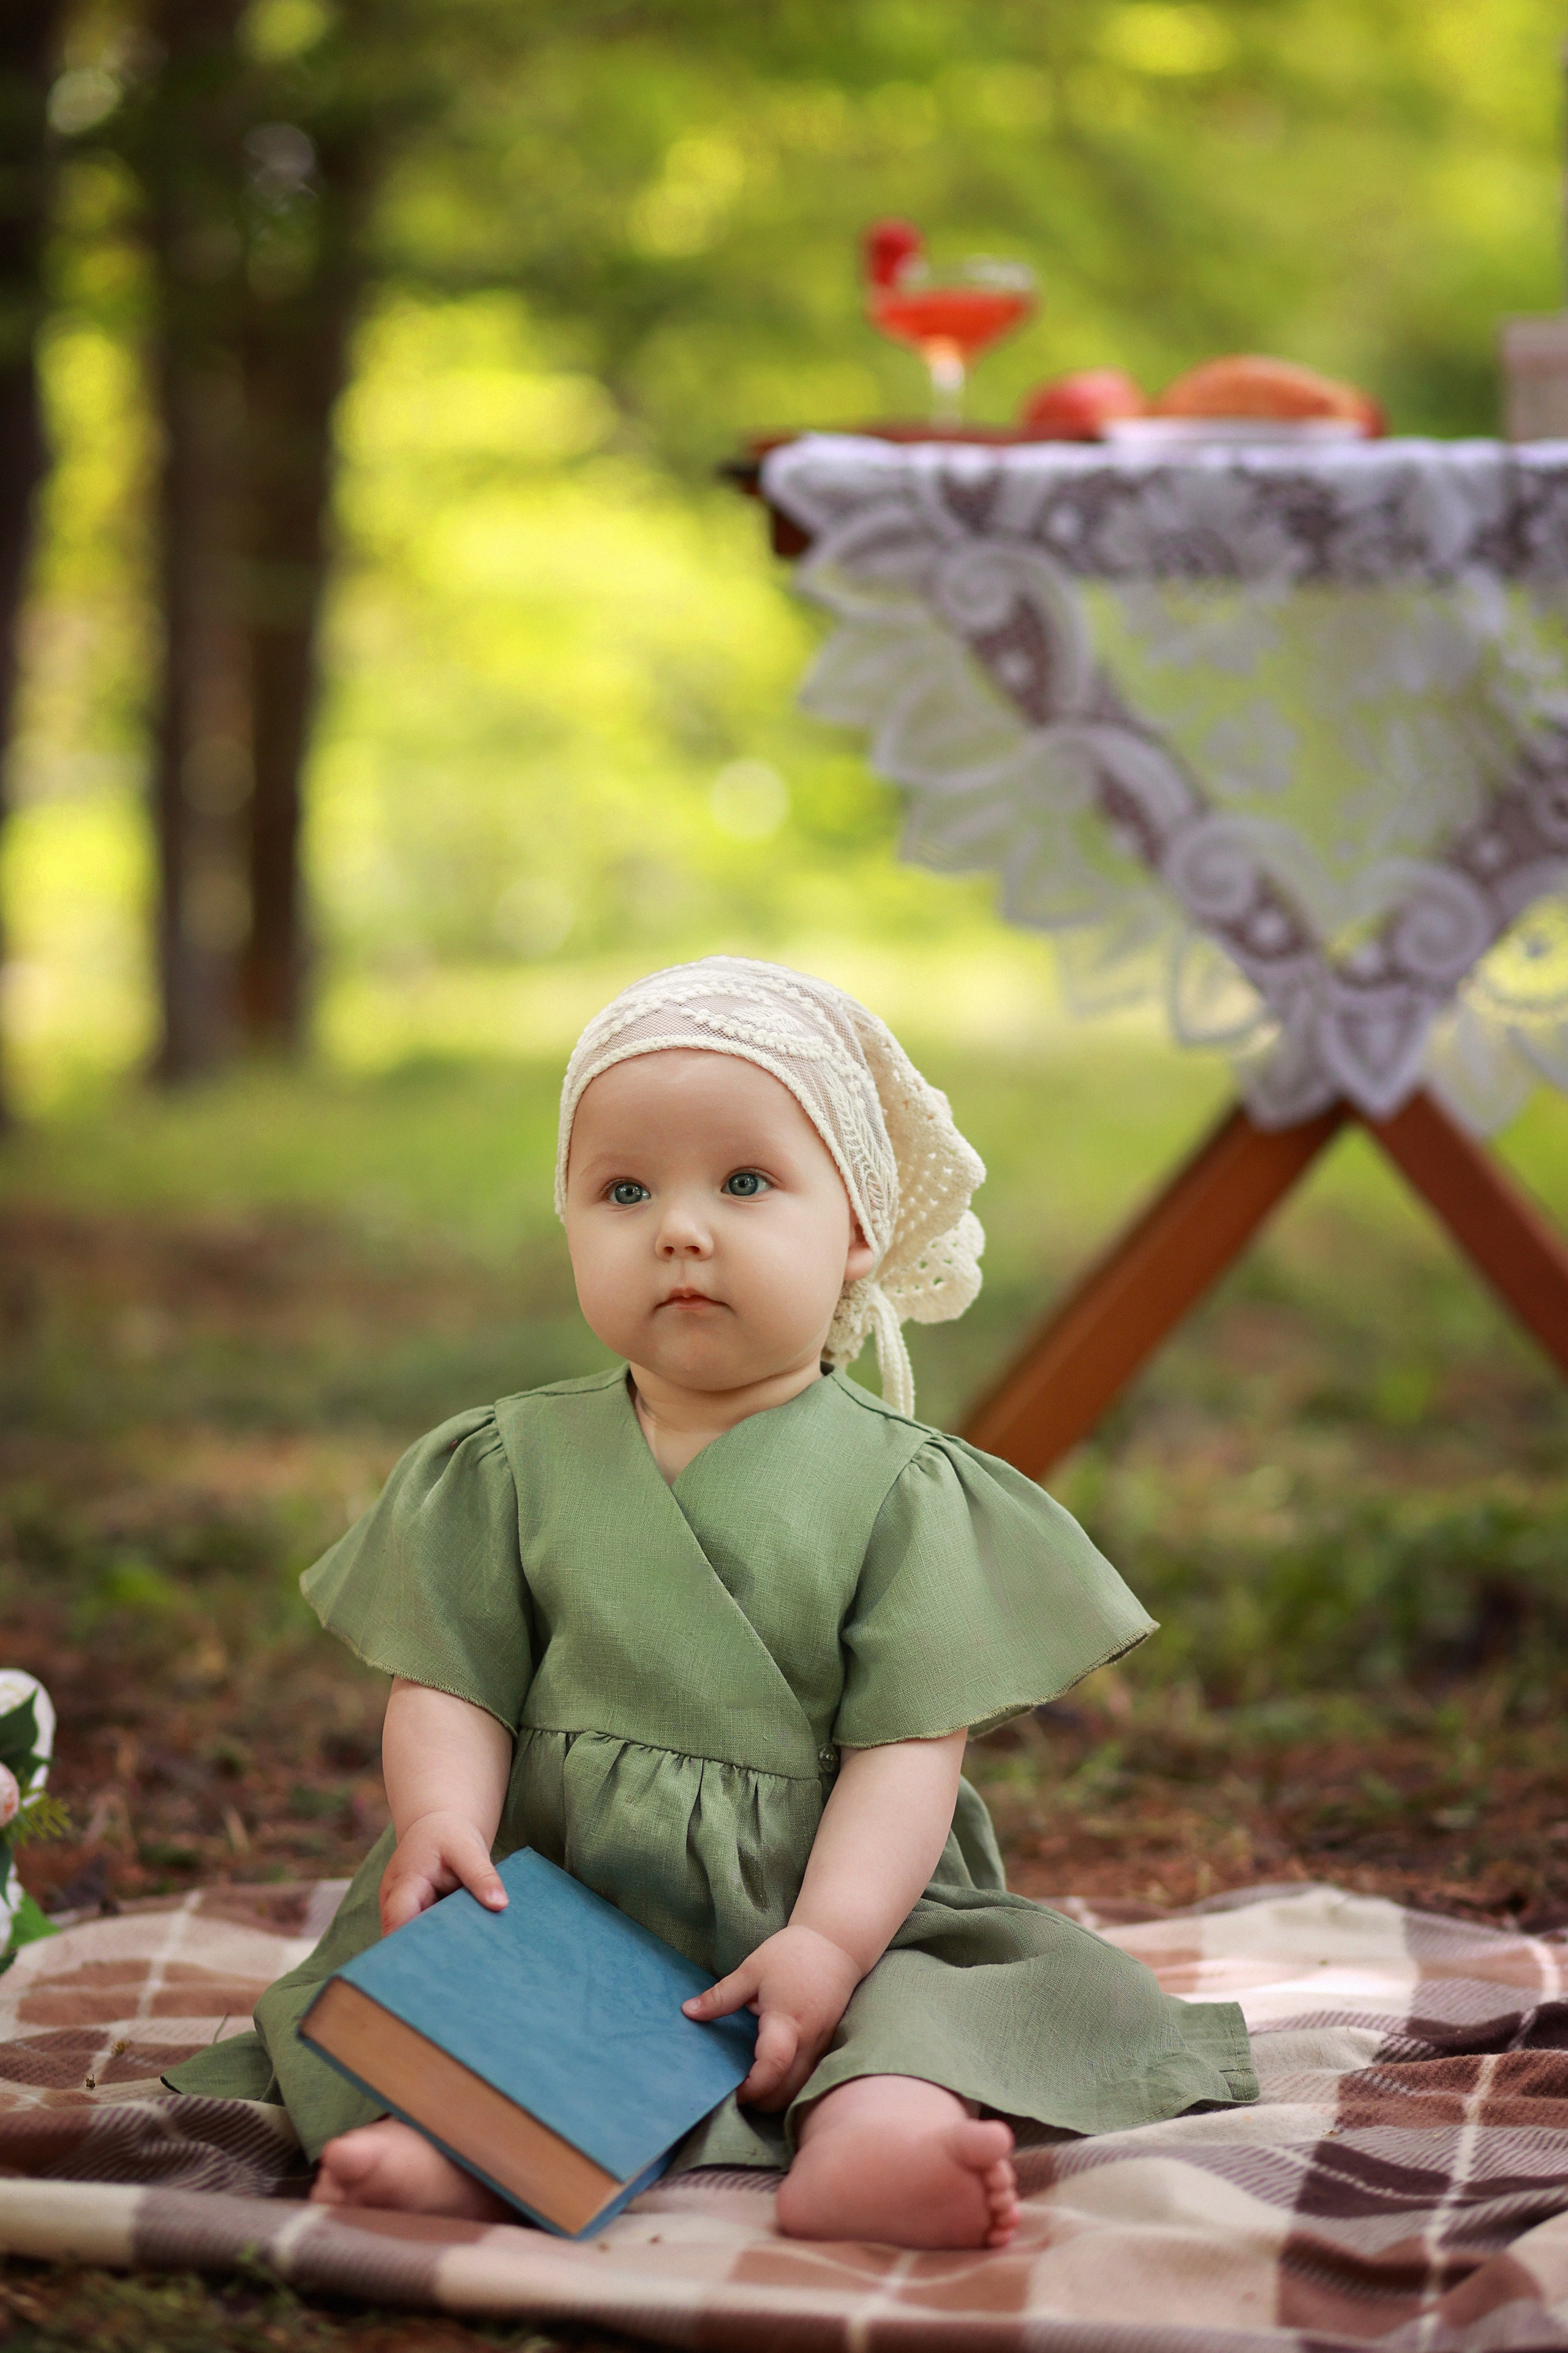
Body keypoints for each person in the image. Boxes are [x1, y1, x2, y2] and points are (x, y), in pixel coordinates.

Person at [167, 957, 1256, 2248]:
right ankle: (454, 2149)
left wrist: (832, 1942)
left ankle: (875, 2137)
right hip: (568, 1890)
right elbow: (451, 1678)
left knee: (928, 2007)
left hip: (827, 1893)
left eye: (745, 1183)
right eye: (623, 1191)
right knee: (442, 1997)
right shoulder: (506, 1464)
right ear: (568, 1224)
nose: (679, 1228)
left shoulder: (902, 1488)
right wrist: (442, 1817)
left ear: (858, 1229)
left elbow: (906, 1753)